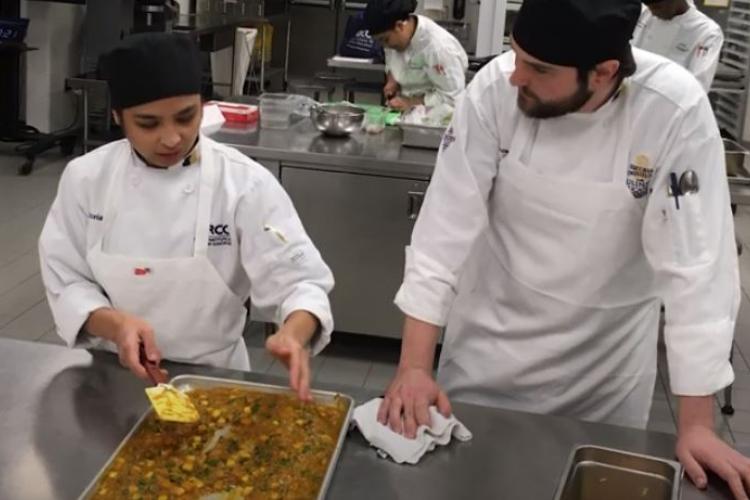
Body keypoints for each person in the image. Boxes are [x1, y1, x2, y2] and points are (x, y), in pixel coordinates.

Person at [378, 0, 750, 496]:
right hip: (485, 363)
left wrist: (698, 424)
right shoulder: (495, 89)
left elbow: (698, 271)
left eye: (539, 69)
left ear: (603, 73)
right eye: (516, 55)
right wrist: (414, 368)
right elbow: (441, 233)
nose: (516, 77)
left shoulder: (672, 111)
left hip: (602, 383)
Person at [38, 33, 334, 401]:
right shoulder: (86, 178)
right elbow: (66, 279)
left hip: (215, 377)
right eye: (148, 124)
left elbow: (300, 282)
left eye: (186, 117)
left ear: (202, 105)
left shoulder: (243, 183)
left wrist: (293, 333)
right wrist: (116, 326)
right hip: (109, 373)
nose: (171, 138)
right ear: (118, 117)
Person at [363, 0, 468, 112]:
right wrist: (392, 80)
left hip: (438, 121)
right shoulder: (393, 37)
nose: (385, 46)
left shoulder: (439, 48)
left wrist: (411, 103)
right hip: (409, 118)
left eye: (385, 40)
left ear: (399, 26)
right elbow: (392, 60)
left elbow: (453, 98)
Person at [632, 0, 724, 92]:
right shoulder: (643, 14)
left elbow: (698, 87)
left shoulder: (707, 32)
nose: (653, 13)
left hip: (669, 99)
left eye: (657, 7)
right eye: (649, 6)